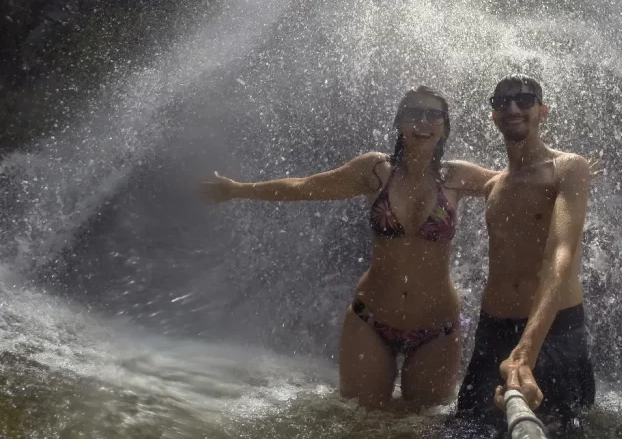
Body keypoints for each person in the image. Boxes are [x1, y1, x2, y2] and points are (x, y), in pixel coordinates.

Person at [199, 86, 496, 409]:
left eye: (433, 114)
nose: (422, 122)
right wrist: (237, 190)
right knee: (360, 422)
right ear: (398, 122)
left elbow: (515, 188)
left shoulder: (458, 176)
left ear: (444, 126)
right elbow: (305, 187)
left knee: (422, 425)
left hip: (438, 329)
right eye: (413, 113)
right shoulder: (374, 172)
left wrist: (557, 172)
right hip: (371, 320)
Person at [454, 75, 597, 431]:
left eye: (525, 100)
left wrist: (526, 349)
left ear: (542, 111)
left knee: (561, 429)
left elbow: (561, 252)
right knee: (471, 428)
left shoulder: (567, 168)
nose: (513, 108)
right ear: (493, 116)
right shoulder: (493, 184)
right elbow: (427, 170)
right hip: (493, 331)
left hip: (553, 332)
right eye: (502, 102)